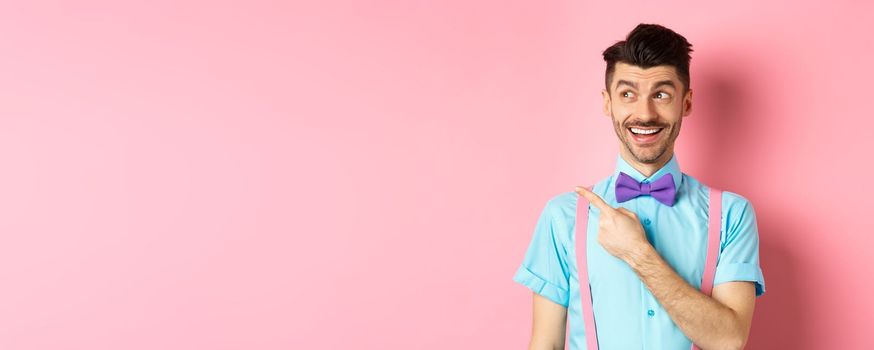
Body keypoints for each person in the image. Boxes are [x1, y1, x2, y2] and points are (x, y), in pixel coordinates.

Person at [512, 23, 766, 350]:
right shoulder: (563, 216)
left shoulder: (732, 214)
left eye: (661, 94)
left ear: (686, 103)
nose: (644, 114)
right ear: (608, 103)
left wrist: (638, 253)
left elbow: (728, 340)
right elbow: (545, 344)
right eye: (628, 94)